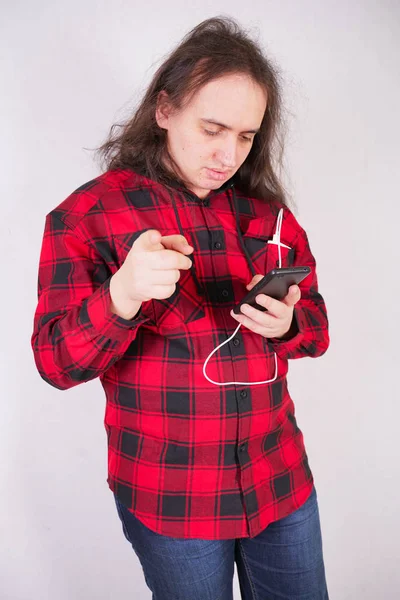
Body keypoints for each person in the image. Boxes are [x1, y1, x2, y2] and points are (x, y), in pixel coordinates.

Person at [31, 16, 330, 600]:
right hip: (172, 499)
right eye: (213, 127)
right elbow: (54, 363)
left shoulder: (269, 216)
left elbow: (318, 330)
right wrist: (121, 296)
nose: (227, 154)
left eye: (245, 136)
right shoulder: (87, 218)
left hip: (281, 482)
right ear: (164, 110)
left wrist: (291, 323)